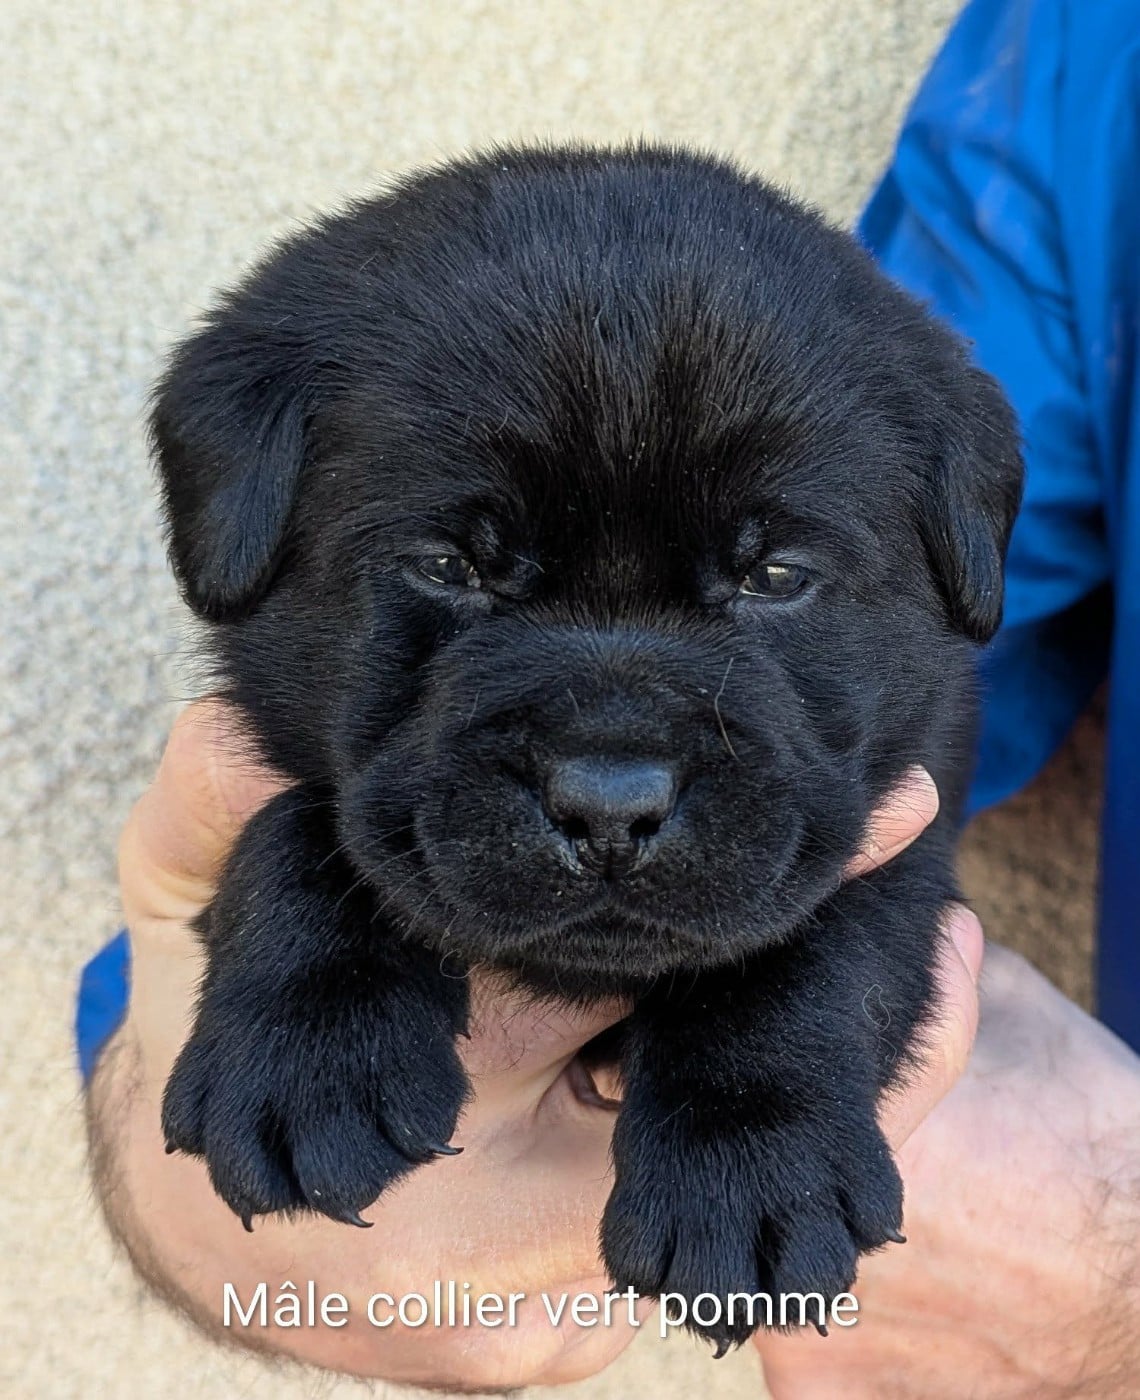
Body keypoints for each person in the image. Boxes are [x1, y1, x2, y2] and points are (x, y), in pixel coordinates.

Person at [83, 0, 1140, 1392]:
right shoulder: (1085, 67)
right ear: (243, 525)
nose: (617, 773)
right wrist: (197, 1143)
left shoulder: (897, 418)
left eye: (768, 579)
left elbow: (898, 795)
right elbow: (171, 968)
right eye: (456, 566)